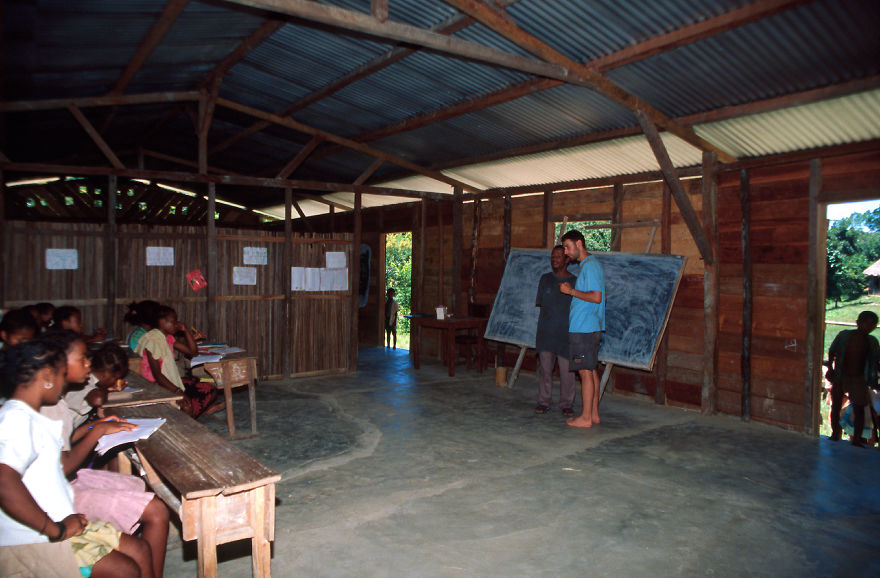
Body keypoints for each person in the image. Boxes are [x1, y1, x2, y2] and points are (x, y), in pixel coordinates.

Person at [0, 337, 154, 577]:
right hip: (31, 537)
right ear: (47, 377)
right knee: (125, 570)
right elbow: (4, 480)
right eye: (62, 376)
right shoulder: (15, 419)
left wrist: (97, 429)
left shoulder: (33, 417)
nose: (64, 385)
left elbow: (65, 463)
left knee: (139, 550)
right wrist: (56, 529)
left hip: (58, 520)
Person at [40, 331, 170, 577]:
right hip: (57, 495)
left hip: (64, 485)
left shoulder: (56, 401)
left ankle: (122, 538)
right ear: (59, 363)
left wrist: (94, 426)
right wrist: (97, 430)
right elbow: (63, 464)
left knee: (138, 486)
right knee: (156, 509)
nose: (89, 364)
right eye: (82, 359)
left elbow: (66, 438)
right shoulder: (49, 406)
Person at [136, 305, 221, 418]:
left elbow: (193, 352)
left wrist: (186, 331)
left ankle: (196, 412)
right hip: (156, 385)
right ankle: (193, 413)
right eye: (174, 321)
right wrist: (177, 392)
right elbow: (157, 375)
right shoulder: (152, 340)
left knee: (210, 389)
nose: (177, 324)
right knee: (187, 406)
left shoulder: (168, 338)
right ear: (162, 322)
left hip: (168, 381)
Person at [559, 230, 605, 429]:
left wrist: (570, 291)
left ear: (579, 243)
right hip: (587, 327)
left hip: (584, 329)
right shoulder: (589, 265)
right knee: (591, 370)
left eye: (567, 247)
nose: (566, 252)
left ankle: (585, 418)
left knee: (585, 372)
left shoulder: (590, 265)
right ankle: (593, 414)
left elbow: (596, 297)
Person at [534, 245, 578, 416]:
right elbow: (541, 305)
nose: (554, 259)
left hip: (566, 335)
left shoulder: (574, 282)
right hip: (546, 333)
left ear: (567, 260)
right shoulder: (545, 279)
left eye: (559, 256)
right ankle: (544, 401)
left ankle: (567, 403)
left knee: (568, 372)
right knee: (545, 370)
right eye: (552, 256)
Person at [827, 310, 880, 446]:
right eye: (866, 323)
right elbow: (832, 351)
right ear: (858, 323)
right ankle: (835, 433)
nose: (869, 327)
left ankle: (856, 439)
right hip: (841, 375)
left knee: (859, 408)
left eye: (873, 324)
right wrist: (831, 369)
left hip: (859, 378)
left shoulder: (872, 342)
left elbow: (875, 362)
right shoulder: (844, 336)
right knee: (836, 405)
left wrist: (873, 380)